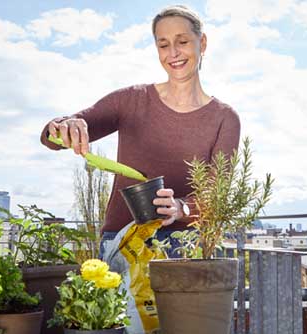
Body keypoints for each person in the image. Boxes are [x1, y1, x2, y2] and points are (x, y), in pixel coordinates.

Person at [41, 4, 240, 258]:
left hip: (183, 246)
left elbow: (217, 192)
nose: (174, 53)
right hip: (122, 241)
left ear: (202, 42)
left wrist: (180, 208)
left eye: (182, 41)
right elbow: (51, 139)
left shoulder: (225, 118)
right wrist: (64, 125)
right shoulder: (130, 100)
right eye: (163, 44)